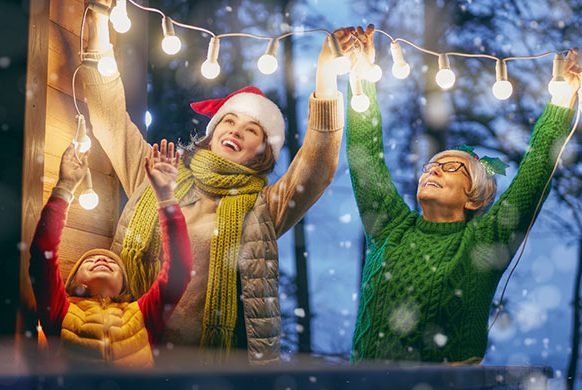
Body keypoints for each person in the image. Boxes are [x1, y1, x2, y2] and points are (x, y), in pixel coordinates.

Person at [82, 2, 349, 365]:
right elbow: (110, 119)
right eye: (229, 121)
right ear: (213, 132)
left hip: (213, 366)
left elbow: (318, 165)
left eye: (251, 130)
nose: (236, 131)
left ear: (262, 153)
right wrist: (98, 27)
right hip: (133, 351)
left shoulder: (262, 207)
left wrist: (326, 72)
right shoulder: (160, 173)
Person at [345, 25, 581, 363]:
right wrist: (360, 74)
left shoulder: (483, 243)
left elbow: (535, 170)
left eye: (451, 167)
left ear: (475, 198)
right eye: (430, 166)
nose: (433, 170)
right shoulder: (390, 227)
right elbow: (364, 157)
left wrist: (564, 95)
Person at [30, 141, 192, 368]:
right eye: (89, 260)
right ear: (72, 281)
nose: (102, 259)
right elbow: (42, 253)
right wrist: (65, 187)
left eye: (112, 262)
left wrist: (166, 197)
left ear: (124, 285)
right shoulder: (60, 310)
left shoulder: (143, 314)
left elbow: (179, 271)